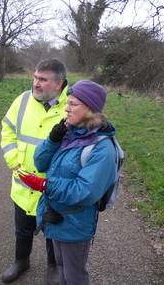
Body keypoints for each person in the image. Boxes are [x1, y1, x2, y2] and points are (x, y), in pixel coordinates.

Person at [18, 80, 117, 285]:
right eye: (67, 102)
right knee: (62, 269)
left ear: (90, 109)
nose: (66, 108)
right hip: (55, 217)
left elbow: (85, 191)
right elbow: (40, 163)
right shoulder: (67, 132)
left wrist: (45, 186)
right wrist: (53, 140)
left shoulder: (102, 148)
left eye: (72, 104)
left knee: (74, 277)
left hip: (75, 222)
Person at [0, 58, 68, 284]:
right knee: (23, 228)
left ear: (58, 84)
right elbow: (7, 130)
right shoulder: (22, 100)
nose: (35, 83)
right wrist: (14, 161)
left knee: (52, 230)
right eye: (35, 77)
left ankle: (53, 266)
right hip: (23, 183)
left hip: (52, 188)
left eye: (42, 79)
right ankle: (22, 261)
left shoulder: (73, 106)